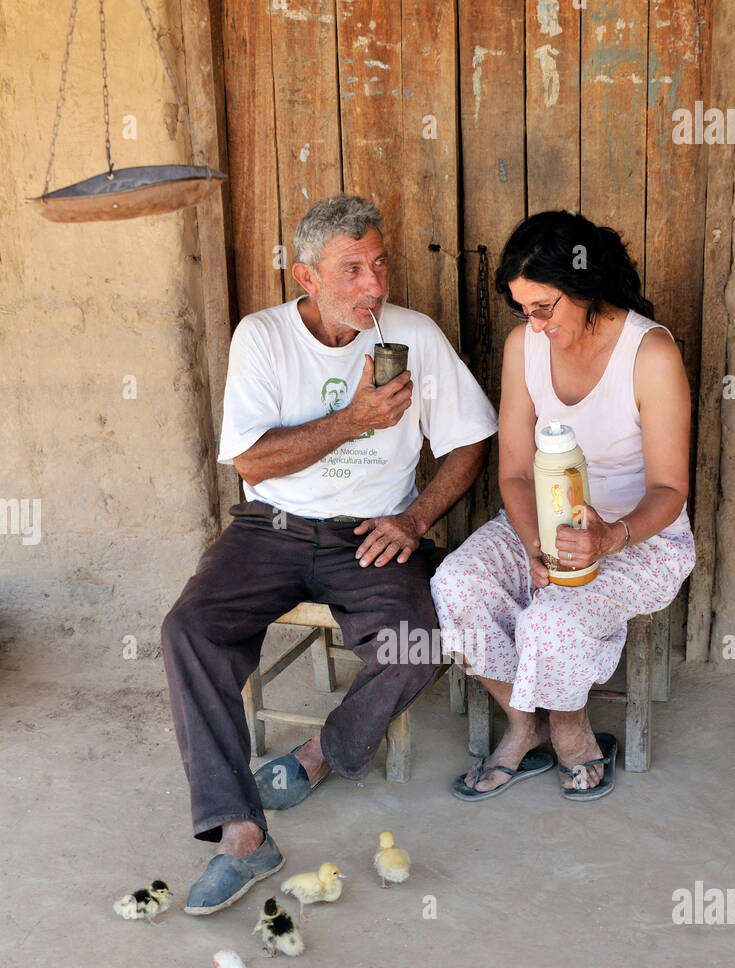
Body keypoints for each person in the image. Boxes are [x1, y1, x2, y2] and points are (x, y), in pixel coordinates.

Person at [161, 194, 497, 913]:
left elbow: (469, 440)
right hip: (270, 527)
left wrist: (413, 518)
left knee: (416, 644)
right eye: (351, 270)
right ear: (306, 278)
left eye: (378, 264)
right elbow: (252, 457)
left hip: (371, 531)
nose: (373, 285)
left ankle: (318, 756)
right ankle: (242, 832)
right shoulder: (263, 336)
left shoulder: (414, 335)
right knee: (188, 631)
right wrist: (351, 421)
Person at [431, 210, 696, 802]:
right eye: (524, 309)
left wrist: (608, 538)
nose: (535, 322)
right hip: (543, 524)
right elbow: (516, 471)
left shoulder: (649, 353)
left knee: (552, 621)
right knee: (457, 583)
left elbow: (670, 490)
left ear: (585, 288)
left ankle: (571, 729)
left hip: (639, 536)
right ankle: (524, 725)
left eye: (545, 306)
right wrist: (535, 545)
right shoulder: (525, 345)